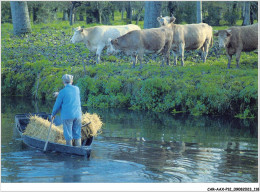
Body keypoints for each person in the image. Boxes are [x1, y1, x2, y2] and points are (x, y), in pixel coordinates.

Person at [51, 74, 82, 147]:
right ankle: (79, 148)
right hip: (78, 115)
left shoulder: (62, 92)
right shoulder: (77, 89)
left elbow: (57, 105)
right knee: (77, 134)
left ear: (63, 82)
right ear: (72, 81)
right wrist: (59, 94)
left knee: (68, 134)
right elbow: (70, 94)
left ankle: (70, 149)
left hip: (67, 116)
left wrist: (53, 114)